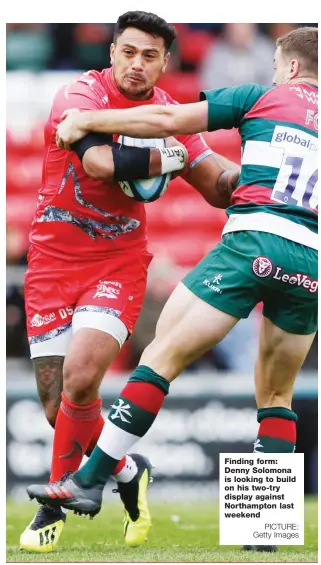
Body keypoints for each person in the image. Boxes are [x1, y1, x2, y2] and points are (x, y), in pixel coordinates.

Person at [20, 11, 239, 554]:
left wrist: (260, 172)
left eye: (149, 56)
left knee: (81, 376)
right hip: (51, 261)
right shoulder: (79, 95)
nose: (136, 64)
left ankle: (54, 507)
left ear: (166, 62)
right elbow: (97, 163)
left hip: (116, 263)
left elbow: (218, 188)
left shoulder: (172, 113)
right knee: (57, 405)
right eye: (128, 52)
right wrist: (173, 148)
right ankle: (126, 471)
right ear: (112, 51)